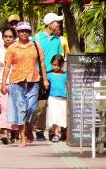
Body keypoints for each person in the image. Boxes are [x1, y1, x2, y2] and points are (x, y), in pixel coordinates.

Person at [1, 22, 49, 148]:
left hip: (33, 80)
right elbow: (7, 66)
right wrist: (3, 83)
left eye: (27, 31)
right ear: (17, 32)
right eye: (22, 31)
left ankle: (28, 128)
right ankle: (23, 137)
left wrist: (45, 80)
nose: (24, 33)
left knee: (31, 108)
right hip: (17, 82)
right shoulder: (12, 48)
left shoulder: (35, 45)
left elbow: (42, 63)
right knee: (21, 109)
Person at [32, 12, 63, 141]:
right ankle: (39, 130)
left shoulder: (57, 40)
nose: (59, 24)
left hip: (54, 75)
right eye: (57, 22)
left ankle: (52, 131)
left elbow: (60, 56)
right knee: (42, 105)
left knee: (54, 104)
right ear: (50, 24)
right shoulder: (37, 38)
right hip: (39, 76)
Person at [0, 27, 17, 144]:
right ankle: (5, 133)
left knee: (16, 108)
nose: (8, 39)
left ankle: (14, 133)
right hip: (2, 84)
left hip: (17, 83)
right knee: (5, 108)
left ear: (14, 38)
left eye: (10, 37)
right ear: (2, 38)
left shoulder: (18, 50)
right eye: (5, 36)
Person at [46, 54, 67, 142]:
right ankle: (55, 134)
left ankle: (64, 133)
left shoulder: (65, 75)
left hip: (63, 98)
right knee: (54, 116)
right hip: (52, 98)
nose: (56, 67)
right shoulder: (49, 75)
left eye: (58, 65)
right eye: (54, 65)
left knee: (63, 116)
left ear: (62, 65)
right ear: (51, 64)